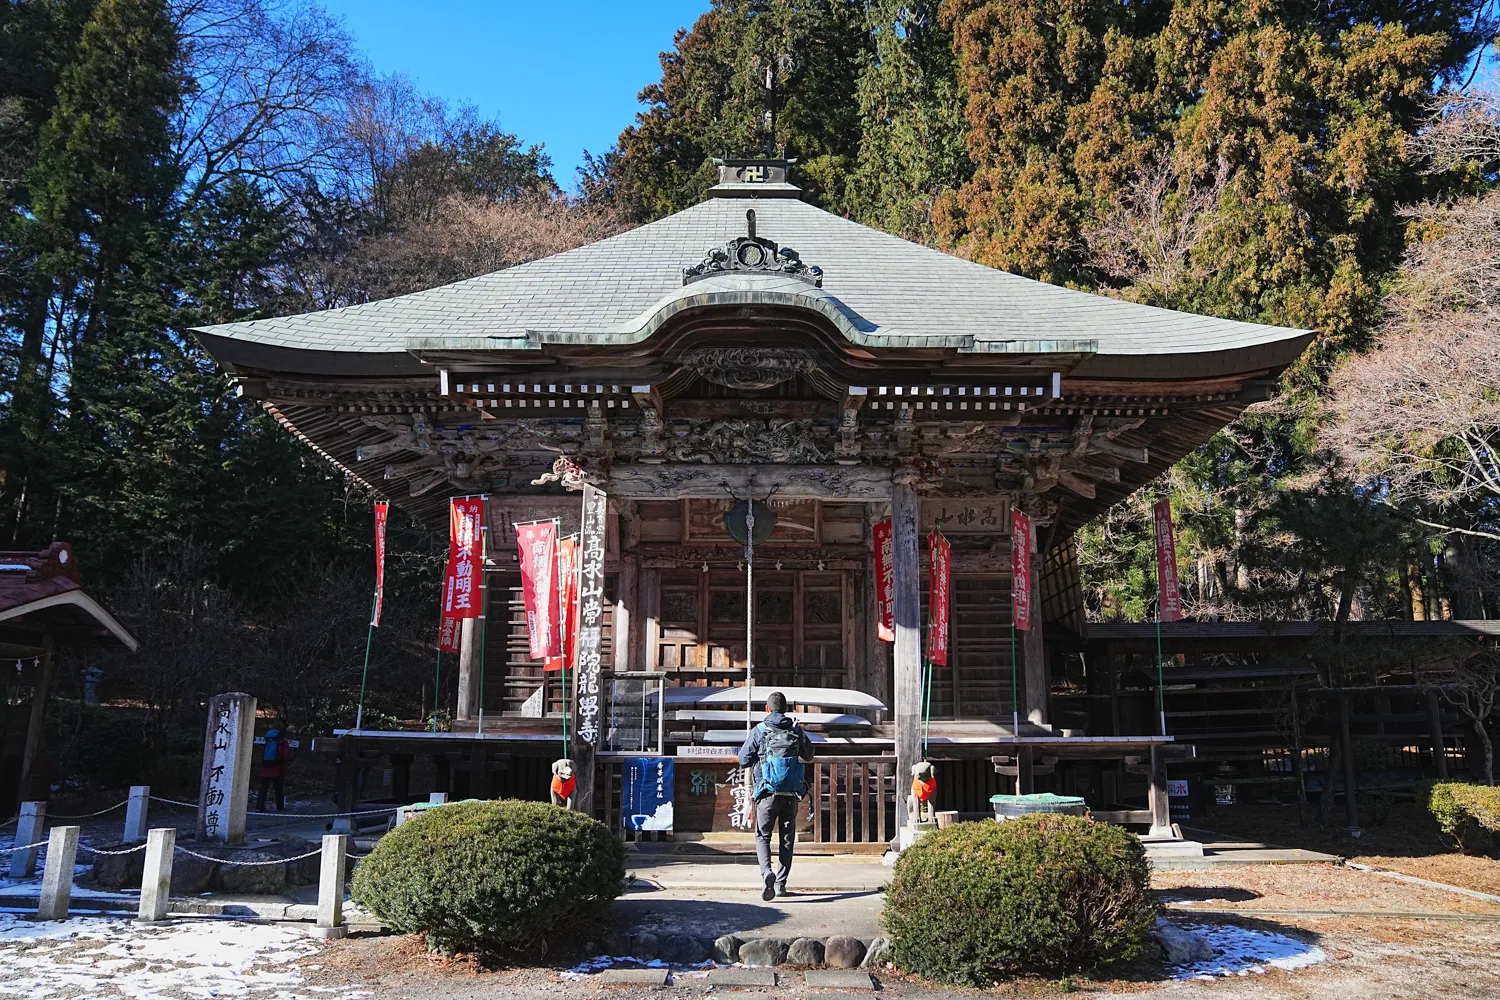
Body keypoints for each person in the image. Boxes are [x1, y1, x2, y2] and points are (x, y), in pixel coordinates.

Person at [737, 691, 814, 901]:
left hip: (766, 793)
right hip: (790, 795)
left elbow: (743, 760)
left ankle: (766, 874)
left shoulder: (760, 730)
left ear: (767, 709)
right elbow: (809, 754)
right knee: (787, 840)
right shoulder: (796, 730)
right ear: (786, 709)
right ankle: (780, 884)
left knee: (763, 835)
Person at [257, 726, 295, 812]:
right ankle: (280, 807)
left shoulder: (267, 741)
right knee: (278, 789)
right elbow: (286, 755)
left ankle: (259, 806)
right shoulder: (283, 742)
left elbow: (262, 754)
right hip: (277, 769)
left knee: (263, 789)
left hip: (265, 769)